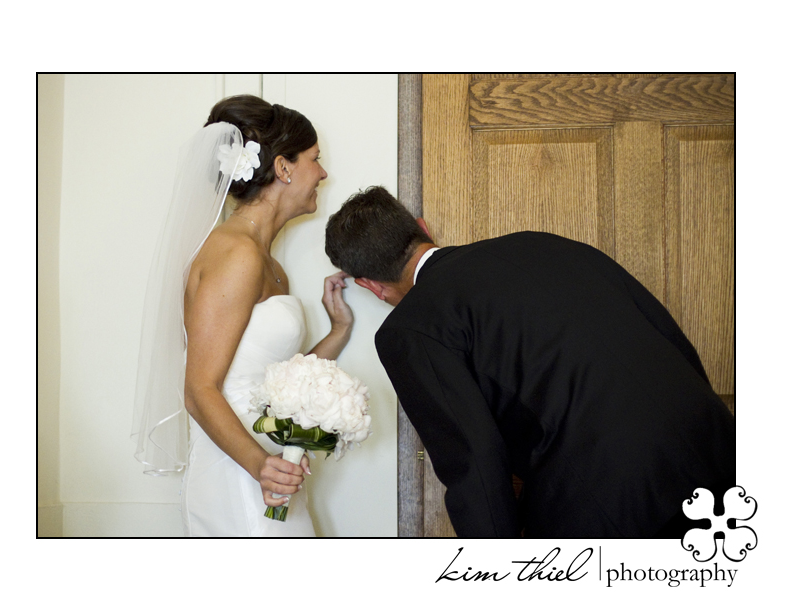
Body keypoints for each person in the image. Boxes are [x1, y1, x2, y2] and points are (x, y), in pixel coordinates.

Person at [325, 186, 736, 538]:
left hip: (612, 502)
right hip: (715, 448)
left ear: (371, 286)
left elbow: (475, 462)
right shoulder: (542, 243)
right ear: (423, 228)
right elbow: (666, 335)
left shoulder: (408, 330)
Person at [132, 95, 353, 536]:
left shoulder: (269, 264)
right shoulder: (236, 254)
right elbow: (199, 389)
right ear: (284, 169)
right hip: (238, 470)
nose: (323, 174)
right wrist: (260, 467)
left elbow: (271, 382)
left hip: (269, 468)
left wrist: (339, 329)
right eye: (316, 160)